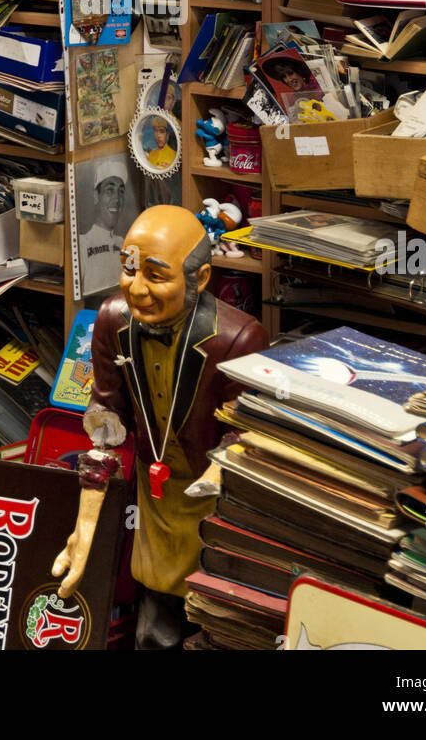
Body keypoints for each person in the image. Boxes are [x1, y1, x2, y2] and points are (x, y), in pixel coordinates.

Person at [52, 206, 268, 649]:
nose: (137, 288)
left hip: (215, 502)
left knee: (218, 622)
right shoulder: (113, 320)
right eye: (128, 270)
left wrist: (220, 471)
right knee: (154, 624)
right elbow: (106, 419)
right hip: (156, 500)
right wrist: (85, 526)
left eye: (155, 275)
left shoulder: (238, 338)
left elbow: (246, 432)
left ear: (201, 278)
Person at [80, 157, 128, 291]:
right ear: (96, 196)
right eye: (109, 190)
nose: (117, 199)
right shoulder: (82, 243)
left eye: (121, 191)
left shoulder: (125, 244)